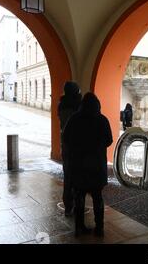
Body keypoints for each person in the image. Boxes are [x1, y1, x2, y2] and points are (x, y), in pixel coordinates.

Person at [63, 92, 113, 237]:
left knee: (79, 196)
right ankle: (99, 228)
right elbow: (109, 140)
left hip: (79, 164)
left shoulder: (74, 119)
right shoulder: (102, 119)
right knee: (98, 197)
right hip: (97, 165)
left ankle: (79, 228)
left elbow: (66, 138)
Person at [57, 81, 82, 216]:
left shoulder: (61, 105)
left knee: (68, 176)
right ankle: (78, 204)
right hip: (78, 146)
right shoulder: (78, 105)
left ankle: (68, 205)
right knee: (79, 176)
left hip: (66, 145)